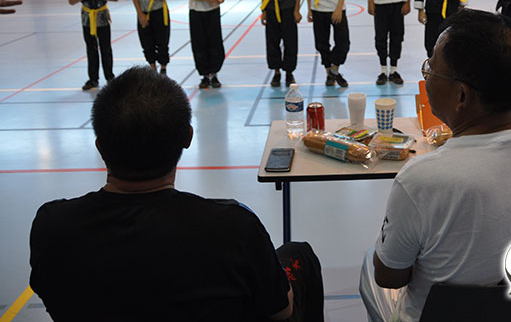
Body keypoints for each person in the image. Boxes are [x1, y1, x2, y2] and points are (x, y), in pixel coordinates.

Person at [29, 67, 324, 322]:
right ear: (187, 137)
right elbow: (282, 311)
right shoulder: (234, 228)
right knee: (299, 255)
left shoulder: (52, 226)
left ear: (100, 146)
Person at [360, 9, 511, 322]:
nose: (426, 76)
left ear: (462, 95)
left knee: (370, 265)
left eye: (432, 68)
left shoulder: (421, 179)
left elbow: (390, 276)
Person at [67, 0, 119, 90]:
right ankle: (93, 79)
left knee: (105, 47)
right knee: (91, 48)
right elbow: (71, 0)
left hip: (102, 15)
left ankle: (110, 77)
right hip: (87, 17)